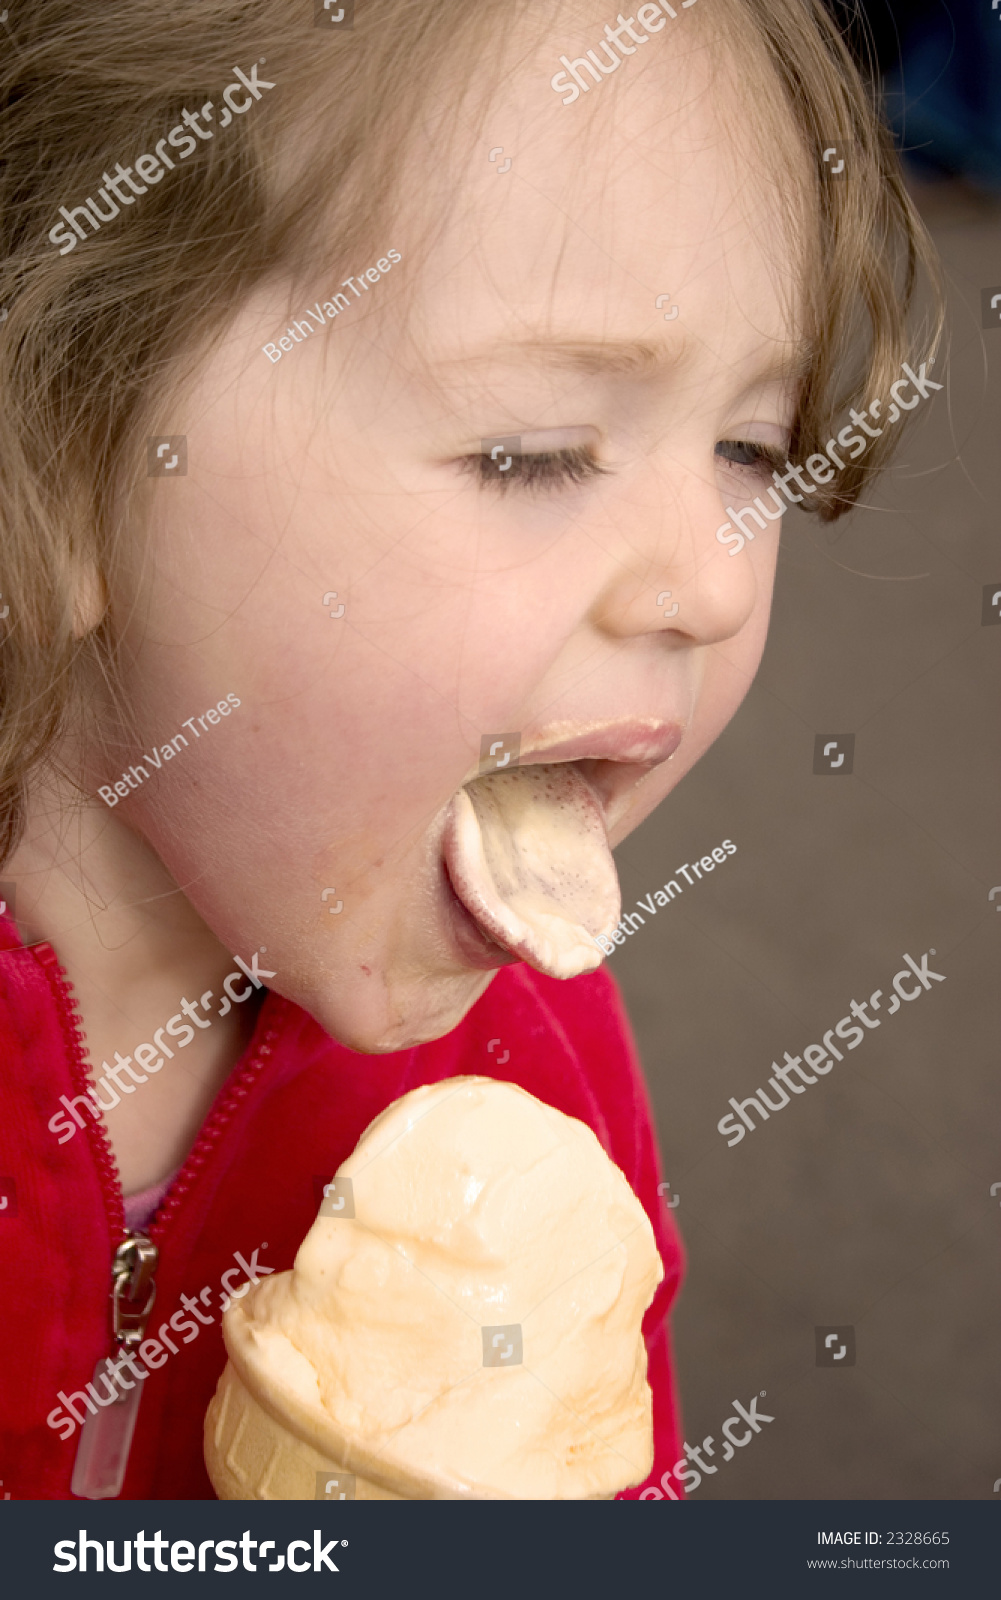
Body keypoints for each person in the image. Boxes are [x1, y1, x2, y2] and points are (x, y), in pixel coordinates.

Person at [0, 0, 942, 1500]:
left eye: (749, 449)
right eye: (533, 450)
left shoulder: (533, 1096)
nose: (706, 581)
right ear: (58, 450)